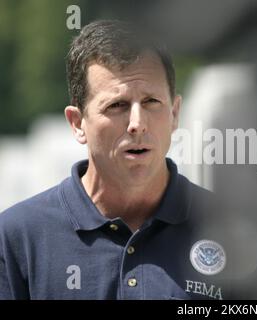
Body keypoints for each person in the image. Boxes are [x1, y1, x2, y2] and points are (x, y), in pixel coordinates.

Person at [0, 20, 232, 300]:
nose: (137, 123)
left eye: (151, 102)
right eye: (117, 105)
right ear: (77, 123)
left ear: (174, 113)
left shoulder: (232, 230)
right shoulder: (17, 238)